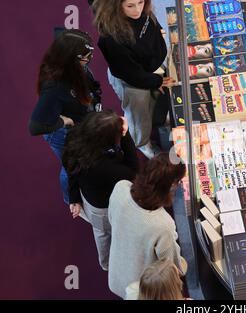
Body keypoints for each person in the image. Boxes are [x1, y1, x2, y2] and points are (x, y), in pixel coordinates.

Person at [92, 0, 175, 159]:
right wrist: (154, 81)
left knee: (158, 103)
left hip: (150, 70)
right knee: (139, 117)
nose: (137, 9)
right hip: (131, 82)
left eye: (140, 2)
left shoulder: (145, 11)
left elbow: (155, 29)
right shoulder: (111, 37)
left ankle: (160, 124)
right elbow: (131, 74)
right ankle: (143, 146)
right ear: (116, 5)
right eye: (130, 6)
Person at [29, 29, 100, 204]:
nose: (89, 60)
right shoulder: (55, 86)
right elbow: (35, 126)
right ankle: (72, 200)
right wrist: (64, 121)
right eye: (86, 57)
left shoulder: (68, 60)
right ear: (71, 59)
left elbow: (62, 35)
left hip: (82, 120)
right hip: (63, 132)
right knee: (71, 165)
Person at [62, 110, 139, 271]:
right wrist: (126, 136)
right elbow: (133, 170)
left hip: (88, 193)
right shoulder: (102, 166)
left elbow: (71, 170)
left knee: (101, 229)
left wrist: (74, 197)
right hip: (102, 208)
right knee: (103, 233)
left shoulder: (75, 135)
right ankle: (107, 264)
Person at [107, 152, 186, 298]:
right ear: (171, 186)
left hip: (116, 275)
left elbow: (111, 221)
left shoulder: (120, 187)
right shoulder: (163, 224)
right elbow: (170, 267)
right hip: (144, 289)